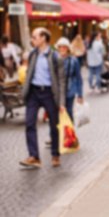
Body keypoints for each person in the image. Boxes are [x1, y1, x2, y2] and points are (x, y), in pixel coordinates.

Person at [19, 27, 66, 168]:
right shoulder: (33, 54)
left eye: (34, 37)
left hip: (49, 94)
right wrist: (25, 91)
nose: (32, 40)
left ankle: (55, 154)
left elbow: (61, 81)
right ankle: (34, 156)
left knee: (54, 125)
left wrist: (62, 102)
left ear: (43, 38)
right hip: (34, 92)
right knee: (29, 123)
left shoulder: (55, 56)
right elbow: (28, 73)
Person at [56, 37, 84, 121]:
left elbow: (78, 78)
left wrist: (80, 94)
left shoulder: (73, 60)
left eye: (64, 47)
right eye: (60, 47)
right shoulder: (54, 60)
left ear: (68, 48)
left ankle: (69, 132)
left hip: (70, 90)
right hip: (57, 90)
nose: (62, 49)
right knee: (58, 112)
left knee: (68, 111)